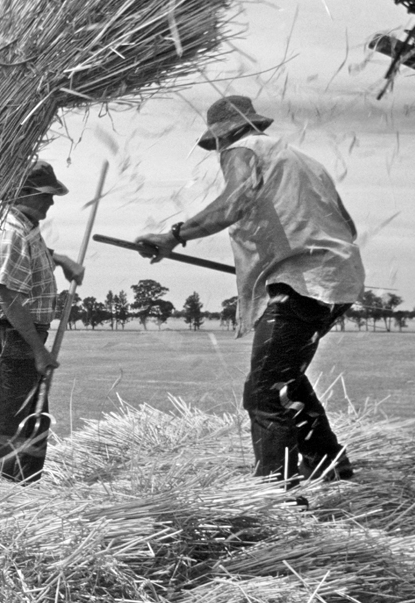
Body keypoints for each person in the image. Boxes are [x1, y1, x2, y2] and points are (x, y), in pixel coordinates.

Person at [135, 94, 364, 486]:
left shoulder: (243, 149)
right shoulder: (303, 160)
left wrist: (175, 235)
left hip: (302, 281)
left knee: (263, 391)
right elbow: (345, 225)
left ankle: (277, 491)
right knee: (283, 377)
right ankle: (329, 462)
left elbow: (235, 200)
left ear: (223, 135)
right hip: (337, 278)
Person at [0, 159, 85, 482]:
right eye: (47, 194)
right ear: (26, 193)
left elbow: (36, 250)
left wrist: (60, 260)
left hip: (21, 339)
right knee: (4, 433)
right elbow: (9, 299)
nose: (52, 201)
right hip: (7, 339)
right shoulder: (11, 234)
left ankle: (20, 497)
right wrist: (39, 350)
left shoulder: (26, 227)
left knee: (31, 425)